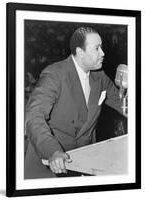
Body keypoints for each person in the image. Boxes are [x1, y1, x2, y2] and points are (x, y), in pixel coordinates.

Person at [24, 27, 125, 179]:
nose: (103, 53)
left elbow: (125, 106)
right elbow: (34, 117)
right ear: (80, 52)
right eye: (97, 49)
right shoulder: (54, 75)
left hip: (84, 163)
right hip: (50, 165)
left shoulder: (100, 77)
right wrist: (53, 151)